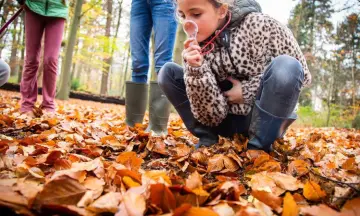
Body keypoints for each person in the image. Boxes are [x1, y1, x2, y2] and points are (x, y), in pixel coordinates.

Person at [158, 0, 312, 152]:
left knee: (287, 65)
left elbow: (301, 73)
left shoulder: (261, 25)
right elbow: (211, 116)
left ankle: (259, 147)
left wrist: (247, 91)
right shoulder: (195, 49)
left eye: (196, 14)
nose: (188, 24)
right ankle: (208, 140)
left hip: (262, 122)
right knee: (168, 72)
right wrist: (196, 70)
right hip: (222, 121)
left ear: (222, 11)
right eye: (183, 15)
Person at [125, 0, 177, 135]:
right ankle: (133, 126)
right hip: (138, 3)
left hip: (165, 3)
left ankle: (158, 129)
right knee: (137, 63)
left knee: (163, 63)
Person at [17, 0, 68, 117]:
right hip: (34, 6)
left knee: (51, 59)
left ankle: (48, 105)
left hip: (58, 9)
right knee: (31, 59)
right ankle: (27, 105)